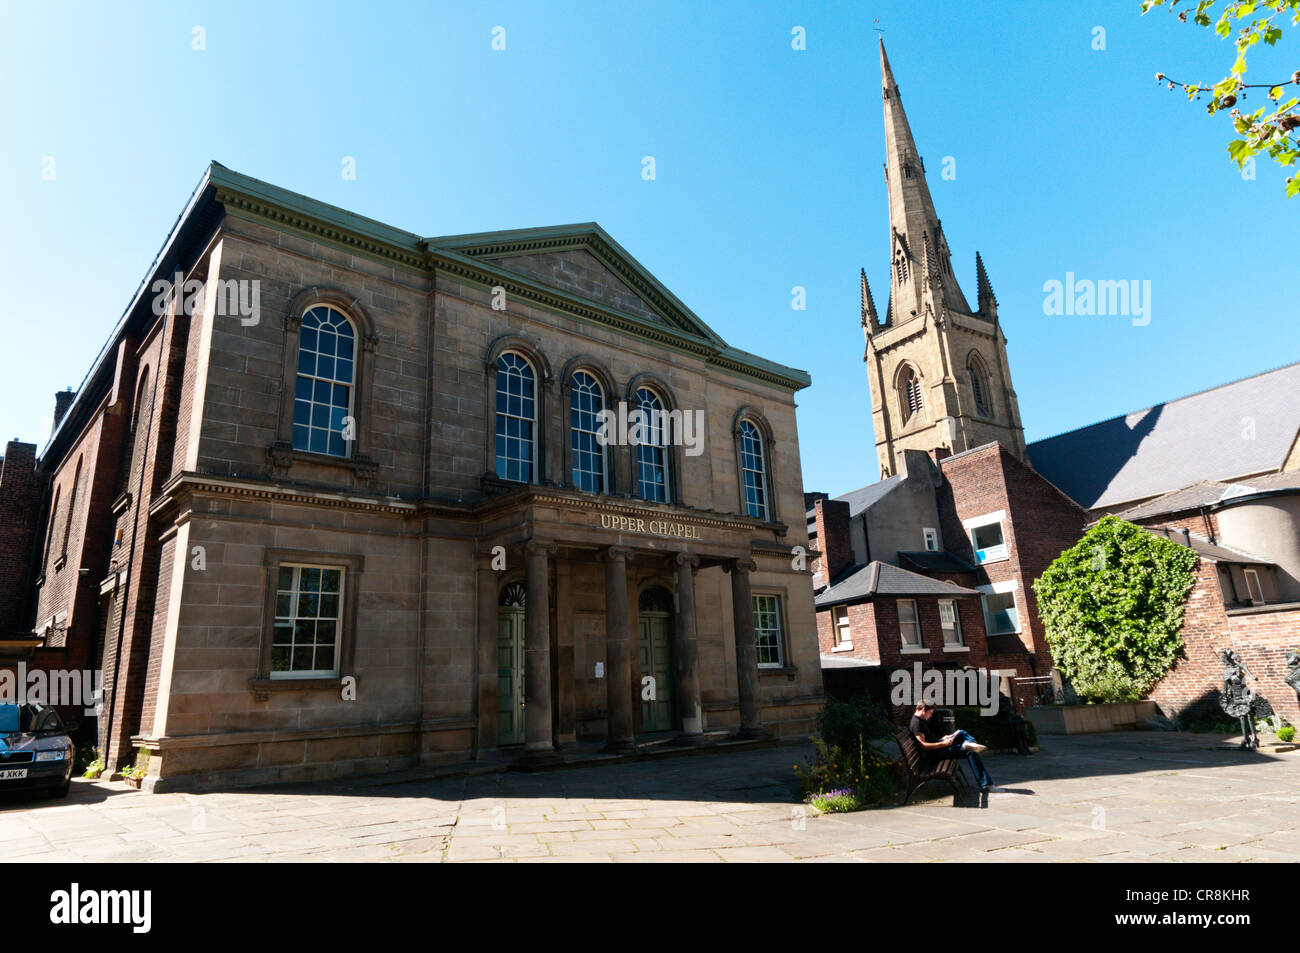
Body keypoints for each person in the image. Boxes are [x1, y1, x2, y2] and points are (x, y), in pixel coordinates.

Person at [909, 701, 1000, 792]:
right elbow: (924, 745)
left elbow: (929, 739)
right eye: (930, 713)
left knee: (961, 732)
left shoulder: (920, 720)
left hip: (938, 747)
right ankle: (987, 785)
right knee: (970, 751)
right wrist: (943, 744)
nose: (930, 716)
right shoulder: (917, 724)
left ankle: (970, 743)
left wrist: (943, 738)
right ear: (924, 709)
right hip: (935, 754)